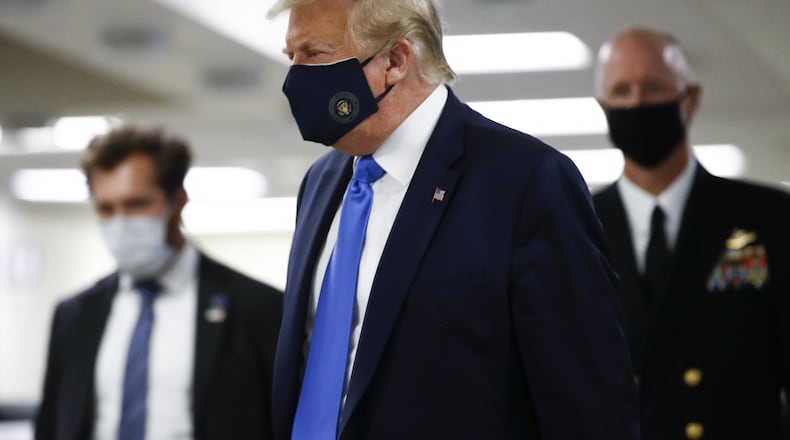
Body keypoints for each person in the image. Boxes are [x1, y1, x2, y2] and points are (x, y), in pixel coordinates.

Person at [267, 1, 639, 439]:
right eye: (290, 56)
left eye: (314, 54)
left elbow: (589, 405)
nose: (295, 77)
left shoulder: (525, 183)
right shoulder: (322, 182)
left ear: (394, 61)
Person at [593, 27, 790, 439]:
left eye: (654, 87)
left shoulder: (769, 219)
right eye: (623, 91)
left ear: (691, 99)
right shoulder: (575, 226)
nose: (638, 102)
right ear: (604, 106)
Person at [35, 125, 283, 440]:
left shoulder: (258, 308)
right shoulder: (75, 315)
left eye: (137, 204)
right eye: (106, 209)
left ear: (177, 200)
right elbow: (51, 425)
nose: (121, 222)